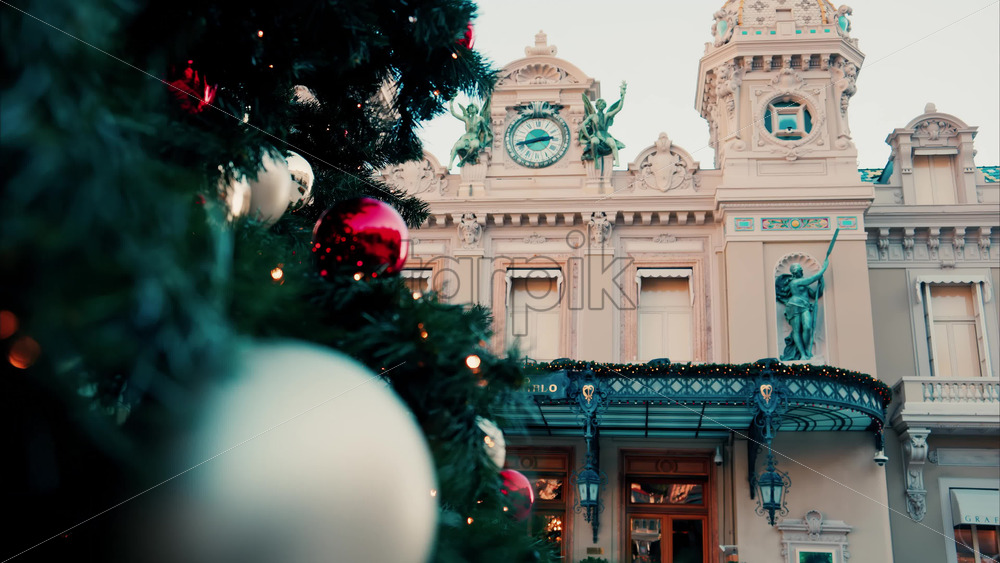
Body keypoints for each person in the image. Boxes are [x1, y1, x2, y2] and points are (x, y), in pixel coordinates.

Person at [775, 259, 829, 360]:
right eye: (800, 270)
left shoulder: (803, 285)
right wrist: (824, 269)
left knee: (807, 327)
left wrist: (821, 284)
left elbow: (814, 294)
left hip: (804, 306)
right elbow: (812, 279)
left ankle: (806, 350)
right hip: (793, 306)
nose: (802, 271)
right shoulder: (795, 282)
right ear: (795, 272)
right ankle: (803, 354)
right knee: (797, 330)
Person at [579, 81, 627, 166]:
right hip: (596, 135)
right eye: (600, 104)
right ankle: (595, 159)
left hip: (605, 136)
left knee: (613, 144)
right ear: (597, 106)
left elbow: (618, 108)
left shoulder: (607, 115)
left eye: (603, 104)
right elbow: (583, 125)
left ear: (605, 106)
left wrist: (622, 97)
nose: (601, 105)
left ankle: (617, 162)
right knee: (594, 142)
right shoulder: (592, 116)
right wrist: (588, 136)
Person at [448, 100, 492, 167]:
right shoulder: (466, 118)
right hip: (465, 138)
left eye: (472, 107)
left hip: (474, 138)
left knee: (475, 146)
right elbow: (454, 113)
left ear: (476, 109)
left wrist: (483, 143)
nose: (471, 108)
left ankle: (464, 159)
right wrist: (451, 103)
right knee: (456, 146)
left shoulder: (480, 119)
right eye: (470, 107)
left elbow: (485, 131)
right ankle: (450, 163)